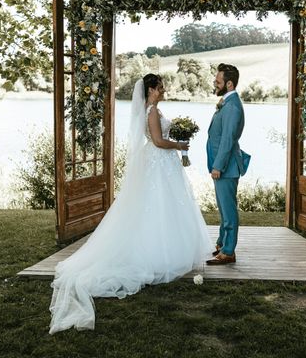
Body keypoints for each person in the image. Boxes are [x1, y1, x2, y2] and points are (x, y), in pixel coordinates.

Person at [49, 74, 212, 334]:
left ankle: (168, 248)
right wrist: (179, 144)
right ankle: (156, 254)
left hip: (162, 165)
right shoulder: (151, 112)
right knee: (157, 208)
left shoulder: (155, 110)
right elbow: (158, 142)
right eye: (160, 87)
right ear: (150, 89)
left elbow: (159, 138)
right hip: (159, 163)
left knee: (167, 209)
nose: (163, 90)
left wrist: (178, 138)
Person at [206, 63, 250, 265]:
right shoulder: (227, 102)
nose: (214, 83)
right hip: (222, 166)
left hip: (226, 167)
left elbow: (227, 139)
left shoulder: (232, 106)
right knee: (223, 209)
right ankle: (222, 244)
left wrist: (218, 166)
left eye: (218, 81)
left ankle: (229, 251)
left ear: (229, 84)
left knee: (229, 210)